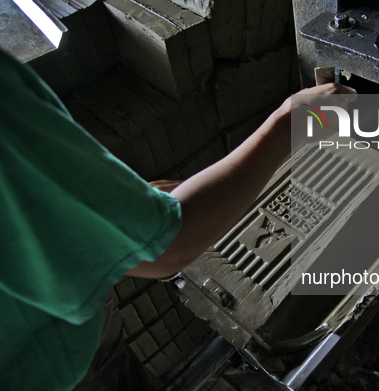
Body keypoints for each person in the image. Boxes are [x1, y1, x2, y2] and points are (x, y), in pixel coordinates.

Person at [0, 46, 356, 390]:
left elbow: (39, 231)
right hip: (52, 368)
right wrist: (288, 125)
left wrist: (130, 206)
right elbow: (168, 248)